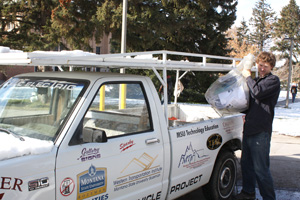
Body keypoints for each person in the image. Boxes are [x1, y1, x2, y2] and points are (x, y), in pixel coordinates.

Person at [235, 52, 280, 200]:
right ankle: (248, 193)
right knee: (246, 165)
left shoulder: (273, 80)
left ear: (271, 67)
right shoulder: (256, 80)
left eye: (265, 66)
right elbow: (250, 101)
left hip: (261, 131)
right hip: (249, 129)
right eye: (260, 65)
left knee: (261, 169)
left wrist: (247, 76)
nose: (261, 69)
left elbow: (257, 93)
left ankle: (269, 197)